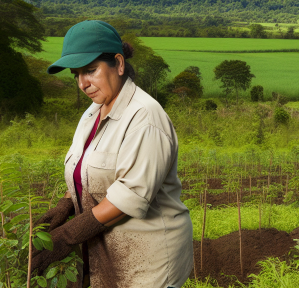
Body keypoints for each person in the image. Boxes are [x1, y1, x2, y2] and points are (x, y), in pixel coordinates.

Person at [31, 20, 193, 288]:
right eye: (76, 74)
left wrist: (68, 236)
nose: (83, 83)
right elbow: (85, 171)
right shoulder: (93, 112)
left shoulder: (144, 117)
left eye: (91, 71)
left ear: (118, 64)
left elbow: (129, 197)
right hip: (107, 257)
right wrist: (65, 204)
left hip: (147, 262)